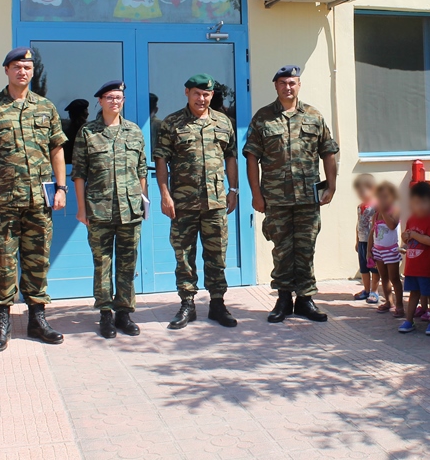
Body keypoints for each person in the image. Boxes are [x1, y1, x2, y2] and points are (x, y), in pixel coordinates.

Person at [0, 47, 68, 353]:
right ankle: (2, 323)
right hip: (2, 202)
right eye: (16, 67)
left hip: (38, 200)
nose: (22, 71)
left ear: (32, 72)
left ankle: (37, 320)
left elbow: (57, 149)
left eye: (27, 67)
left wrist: (61, 188)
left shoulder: (46, 107)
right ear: (7, 70)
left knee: (38, 261)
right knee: (2, 263)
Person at [245, 65, 339, 323]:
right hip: (276, 198)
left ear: (299, 85)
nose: (288, 87)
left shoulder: (314, 116)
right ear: (276, 86)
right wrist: (256, 194)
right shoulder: (263, 117)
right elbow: (251, 157)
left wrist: (331, 186)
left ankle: (306, 300)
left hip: (308, 197)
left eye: (292, 82)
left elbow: (328, 152)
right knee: (282, 250)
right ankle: (284, 299)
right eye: (283, 83)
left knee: (306, 248)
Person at [154, 74, 239, 329]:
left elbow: (231, 157)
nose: (201, 99)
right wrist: (164, 194)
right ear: (187, 93)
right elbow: (161, 159)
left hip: (215, 202)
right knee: (183, 255)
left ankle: (217, 304)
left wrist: (233, 190)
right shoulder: (172, 123)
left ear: (211, 95)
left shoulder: (223, 122)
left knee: (217, 255)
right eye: (197, 94)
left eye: (206, 94)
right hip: (183, 203)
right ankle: (187, 304)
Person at [72, 80, 146, 339]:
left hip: (130, 210)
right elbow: (79, 173)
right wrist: (81, 209)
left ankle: (124, 313)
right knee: (102, 263)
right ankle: (105, 313)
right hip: (99, 209)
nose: (115, 102)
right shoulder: (87, 132)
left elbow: (141, 170)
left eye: (118, 97)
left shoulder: (134, 131)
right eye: (110, 97)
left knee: (127, 263)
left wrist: (144, 201)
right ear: (100, 101)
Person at [398, 182, 430, 336]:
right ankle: (409, 320)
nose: (419, 206)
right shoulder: (411, 219)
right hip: (412, 266)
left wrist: (414, 235)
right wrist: (405, 237)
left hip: (427, 267)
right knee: (413, 294)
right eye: (416, 202)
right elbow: (406, 237)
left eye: (423, 202)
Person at [370, 181, 403, 316]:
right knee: (384, 277)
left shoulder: (395, 211)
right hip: (378, 250)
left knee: (394, 278)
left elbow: (392, 226)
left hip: (390, 251)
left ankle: (399, 305)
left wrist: (383, 211)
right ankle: (389, 302)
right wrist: (369, 251)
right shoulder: (376, 214)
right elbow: (372, 233)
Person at [352, 174, 379, 303]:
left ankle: (374, 291)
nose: (361, 194)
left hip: (373, 243)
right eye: (359, 192)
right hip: (362, 241)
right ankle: (366, 290)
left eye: (363, 191)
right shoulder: (359, 207)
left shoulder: (376, 207)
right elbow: (358, 224)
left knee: (374, 268)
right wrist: (357, 240)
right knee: (363, 268)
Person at [62, 99, 89, 165]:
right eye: (86, 111)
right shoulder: (88, 132)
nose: (88, 114)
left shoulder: (65, 133)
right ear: (82, 114)